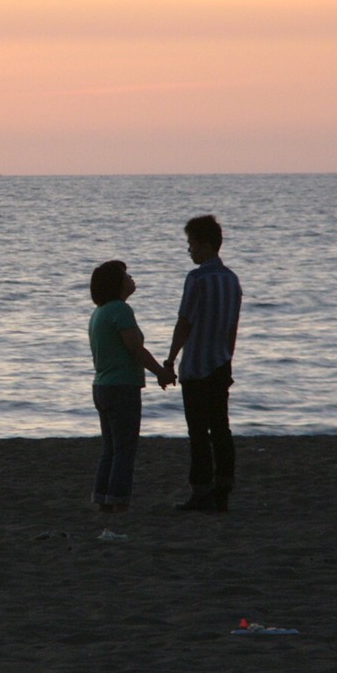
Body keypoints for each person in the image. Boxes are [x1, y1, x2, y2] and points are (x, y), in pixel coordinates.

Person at [163, 215, 242, 513]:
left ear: (206, 245)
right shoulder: (232, 280)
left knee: (198, 432)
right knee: (221, 428)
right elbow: (232, 327)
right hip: (221, 363)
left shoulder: (196, 279)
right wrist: (228, 357)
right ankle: (223, 488)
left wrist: (170, 359)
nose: (189, 250)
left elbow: (184, 322)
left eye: (192, 244)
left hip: (197, 365)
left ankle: (201, 490)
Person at [88, 260, 175, 514]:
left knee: (110, 449)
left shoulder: (99, 312)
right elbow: (136, 349)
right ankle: (118, 499)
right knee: (124, 450)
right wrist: (161, 372)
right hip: (121, 387)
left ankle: (103, 497)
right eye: (126, 275)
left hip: (102, 386)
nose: (131, 278)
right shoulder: (120, 310)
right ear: (116, 283)